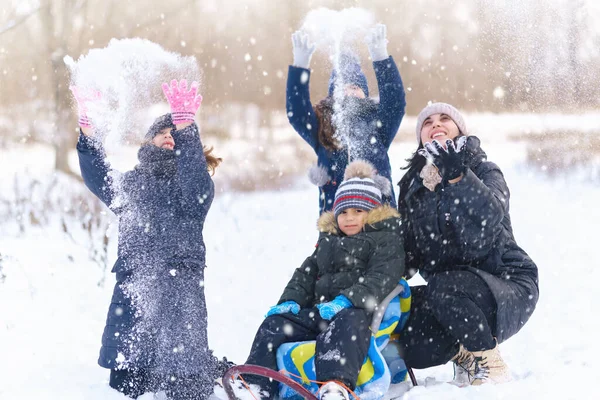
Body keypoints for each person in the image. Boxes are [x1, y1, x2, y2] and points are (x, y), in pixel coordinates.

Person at [72, 80, 224, 399]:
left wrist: (187, 129)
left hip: (180, 288)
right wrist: (88, 133)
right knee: (127, 385)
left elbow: (195, 175)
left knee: (185, 384)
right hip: (135, 288)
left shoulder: (193, 187)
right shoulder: (130, 185)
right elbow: (97, 174)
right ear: (148, 141)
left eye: (174, 133)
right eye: (163, 132)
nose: (169, 137)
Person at [395, 102, 539, 385]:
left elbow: (490, 217)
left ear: (459, 129)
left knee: (444, 286)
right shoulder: (413, 187)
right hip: (449, 295)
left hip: (506, 286)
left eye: (444, 119)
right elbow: (409, 257)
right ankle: (464, 353)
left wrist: (458, 174)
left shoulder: (485, 171)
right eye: (427, 122)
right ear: (421, 137)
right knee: (407, 335)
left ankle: (491, 364)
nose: (435, 124)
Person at [243, 160, 405, 400]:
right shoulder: (328, 243)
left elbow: (381, 277)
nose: (349, 218)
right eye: (344, 212)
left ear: (373, 213)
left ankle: (334, 384)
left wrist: (347, 301)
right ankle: (257, 385)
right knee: (275, 324)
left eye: (358, 211)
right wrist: (290, 301)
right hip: (322, 314)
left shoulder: (385, 241)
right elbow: (305, 275)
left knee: (348, 322)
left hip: (359, 314)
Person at [287, 24, 406, 214]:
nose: (350, 91)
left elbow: (395, 103)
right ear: (333, 94)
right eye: (344, 87)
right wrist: (300, 66)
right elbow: (297, 113)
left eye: (356, 87)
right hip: (336, 223)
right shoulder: (323, 124)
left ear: (364, 93)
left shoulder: (378, 121)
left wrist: (380, 57)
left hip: (378, 223)